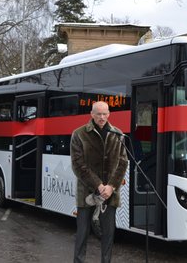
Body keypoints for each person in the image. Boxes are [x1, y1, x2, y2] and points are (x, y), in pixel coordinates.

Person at [70, 101, 128, 263]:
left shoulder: (117, 134)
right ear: (92, 114)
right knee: (82, 234)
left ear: (109, 114)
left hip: (110, 194)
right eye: (98, 114)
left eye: (105, 114)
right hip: (86, 194)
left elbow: (123, 163)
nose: (102, 117)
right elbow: (78, 165)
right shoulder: (79, 134)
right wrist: (98, 185)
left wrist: (111, 186)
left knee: (108, 236)